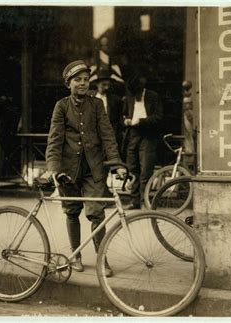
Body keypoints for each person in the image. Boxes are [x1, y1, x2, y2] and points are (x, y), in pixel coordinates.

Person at [46, 60, 126, 276]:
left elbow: (108, 135)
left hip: (93, 169)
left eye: (85, 79)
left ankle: (102, 259)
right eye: (77, 80)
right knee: (72, 212)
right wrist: (53, 168)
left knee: (96, 212)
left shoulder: (97, 105)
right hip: (68, 170)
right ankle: (75, 256)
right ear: (68, 83)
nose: (82, 83)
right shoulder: (61, 106)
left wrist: (116, 163)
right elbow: (54, 140)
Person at [122, 73, 163, 209]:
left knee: (146, 169)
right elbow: (123, 116)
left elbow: (159, 117)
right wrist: (126, 120)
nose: (136, 96)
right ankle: (134, 201)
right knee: (132, 169)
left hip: (148, 135)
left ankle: (146, 201)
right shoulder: (129, 97)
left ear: (142, 89)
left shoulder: (153, 96)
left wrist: (142, 121)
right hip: (133, 135)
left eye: (137, 93)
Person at [90, 70, 123, 150]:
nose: (106, 87)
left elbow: (118, 118)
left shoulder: (115, 99)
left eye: (108, 85)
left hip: (108, 133)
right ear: (97, 84)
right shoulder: (89, 96)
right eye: (103, 85)